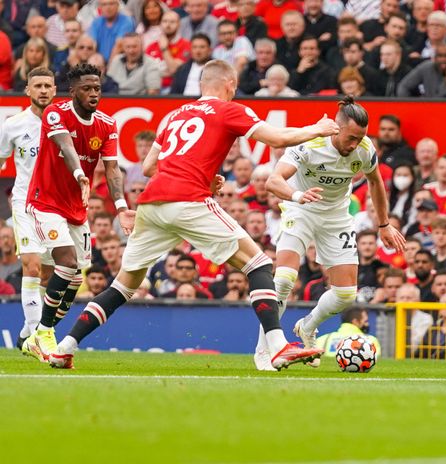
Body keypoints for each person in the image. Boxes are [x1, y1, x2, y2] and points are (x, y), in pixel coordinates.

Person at [48, 60, 340, 370]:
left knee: (122, 286)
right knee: (260, 264)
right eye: (235, 85)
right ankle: (278, 346)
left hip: (152, 203)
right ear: (229, 83)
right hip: (188, 200)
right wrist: (317, 129)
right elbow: (278, 139)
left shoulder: (175, 115)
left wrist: (202, 175)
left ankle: (65, 346)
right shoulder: (230, 110)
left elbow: (148, 168)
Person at [259, 96, 406, 369]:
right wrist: (298, 195)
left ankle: (308, 327)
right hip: (300, 207)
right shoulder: (310, 143)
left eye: (360, 137)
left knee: (346, 294)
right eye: (350, 137)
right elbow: (273, 180)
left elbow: (375, 182)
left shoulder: (364, 148)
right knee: (284, 280)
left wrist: (384, 224)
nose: (354, 144)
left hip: (336, 216)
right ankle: (266, 349)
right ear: (335, 129)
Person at [17, 64, 129, 362]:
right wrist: (80, 172)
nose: (94, 94)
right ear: (73, 91)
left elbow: (113, 169)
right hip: (45, 202)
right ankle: (42, 332)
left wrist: (121, 207)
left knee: (77, 278)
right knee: (65, 264)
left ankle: (40, 334)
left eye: (97, 89)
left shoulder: (107, 124)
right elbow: (65, 145)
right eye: (87, 89)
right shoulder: (57, 113)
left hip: (75, 209)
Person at [0, 67, 55, 349]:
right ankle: (36, 335)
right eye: (38, 86)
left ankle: (26, 327)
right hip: (25, 203)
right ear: (28, 91)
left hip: (55, 206)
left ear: (55, 90)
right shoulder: (13, 124)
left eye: (48, 85)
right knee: (31, 265)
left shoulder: (64, 123)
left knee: (47, 272)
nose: (43, 90)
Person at [315, 306, 381, 358]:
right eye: (365, 321)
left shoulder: (323, 339)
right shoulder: (370, 341)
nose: (367, 324)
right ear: (355, 321)